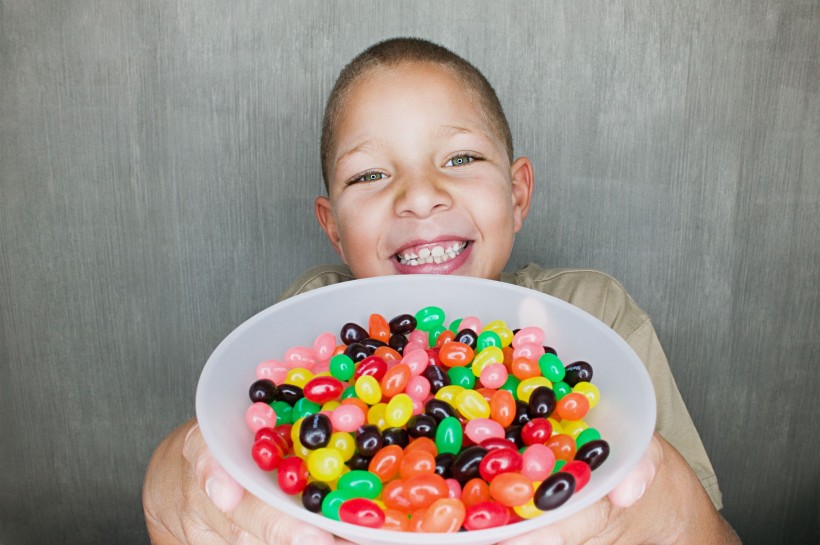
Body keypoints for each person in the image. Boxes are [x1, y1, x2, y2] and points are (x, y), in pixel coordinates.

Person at [143, 37, 740, 545]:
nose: (419, 195)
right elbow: (244, 451)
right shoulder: (309, 325)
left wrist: (663, 510)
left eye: (460, 157)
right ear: (332, 227)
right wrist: (172, 484)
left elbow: (712, 531)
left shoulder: (598, 313)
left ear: (517, 195)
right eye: (370, 174)